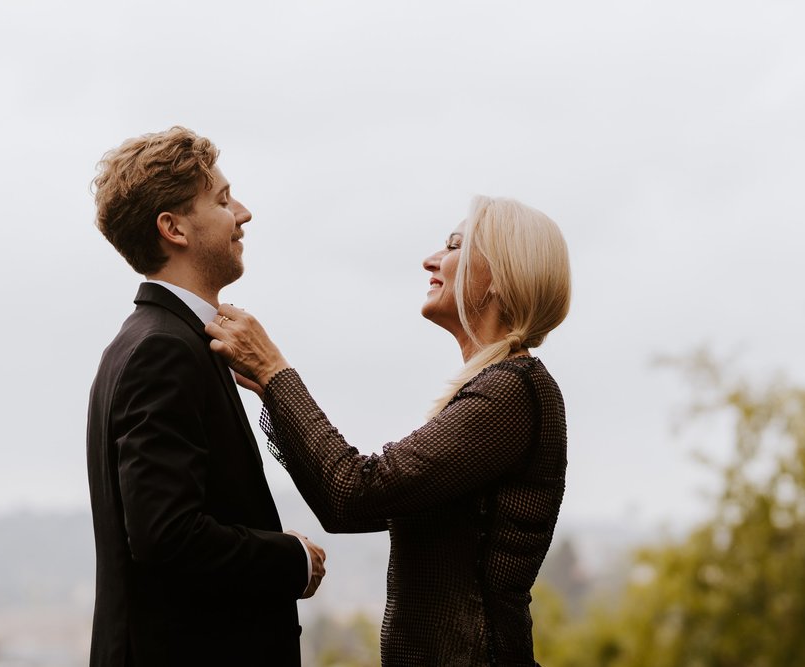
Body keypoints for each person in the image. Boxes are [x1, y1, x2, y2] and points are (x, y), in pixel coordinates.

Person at [207, 195, 571, 666]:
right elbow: (348, 508)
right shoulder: (501, 389)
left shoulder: (511, 393)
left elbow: (354, 492)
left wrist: (278, 375)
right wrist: (273, 391)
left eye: (455, 244)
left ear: (500, 275)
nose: (431, 259)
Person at [85, 125, 326, 666]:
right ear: (173, 228)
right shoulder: (162, 351)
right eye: (222, 199)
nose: (243, 213)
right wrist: (290, 560)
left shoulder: (154, 340)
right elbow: (167, 535)